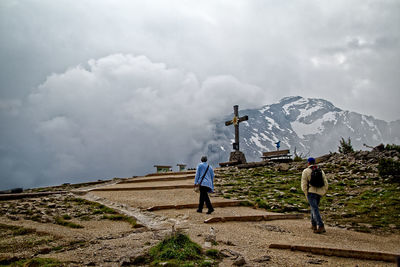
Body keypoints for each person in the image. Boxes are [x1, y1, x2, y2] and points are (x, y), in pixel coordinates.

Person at [301, 157, 329, 234]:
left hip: (311, 192)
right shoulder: (321, 171)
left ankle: (320, 226)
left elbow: (304, 184)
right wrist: (323, 192)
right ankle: (313, 224)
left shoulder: (306, 171)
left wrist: (306, 193)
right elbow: (326, 183)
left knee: (315, 209)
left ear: (308, 163)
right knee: (314, 208)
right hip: (319, 193)